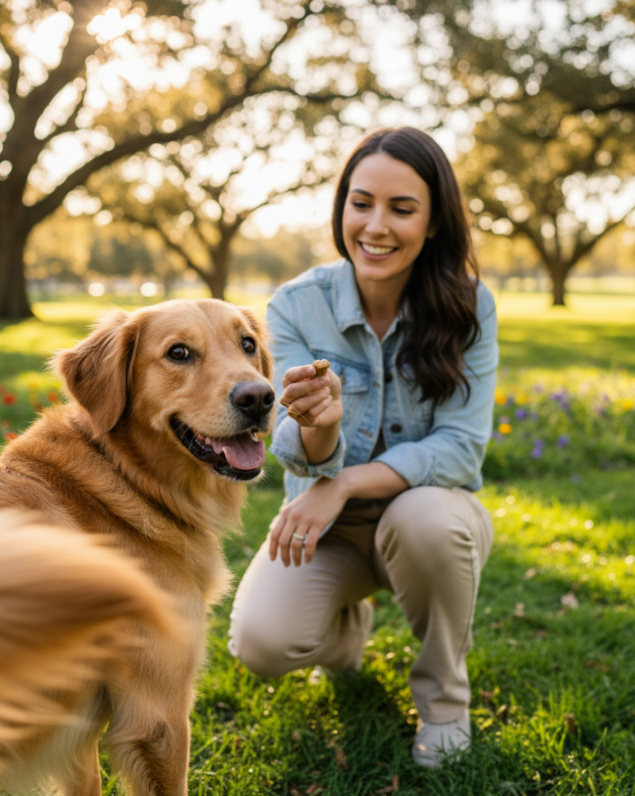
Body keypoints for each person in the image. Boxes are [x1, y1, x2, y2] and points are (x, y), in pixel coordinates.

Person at [227, 127, 498, 769]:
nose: (376, 226)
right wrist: (320, 425)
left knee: (424, 518)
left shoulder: (469, 307)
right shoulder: (294, 306)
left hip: (427, 522)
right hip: (331, 535)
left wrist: (344, 483)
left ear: (433, 223)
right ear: (341, 206)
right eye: (361, 202)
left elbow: (460, 449)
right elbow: (289, 442)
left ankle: (444, 703)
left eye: (402, 209)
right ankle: (346, 626)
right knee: (261, 644)